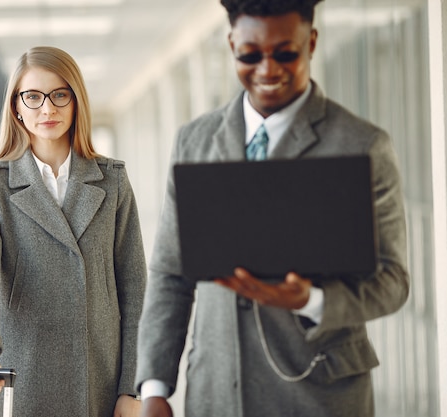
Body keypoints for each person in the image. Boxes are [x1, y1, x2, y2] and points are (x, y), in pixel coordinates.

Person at [135, 1, 409, 416]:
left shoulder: (362, 145)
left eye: (285, 53)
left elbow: (392, 282)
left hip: (319, 394)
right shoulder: (195, 141)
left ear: (311, 42)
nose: (267, 70)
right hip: (216, 393)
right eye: (249, 55)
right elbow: (171, 274)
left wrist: (311, 299)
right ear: (231, 44)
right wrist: (155, 387)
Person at [0, 46, 146, 417]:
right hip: (20, 371)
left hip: (99, 376)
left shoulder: (112, 180)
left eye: (60, 95)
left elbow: (135, 288)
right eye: (33, 97)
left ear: (76, 102)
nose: (48, 109)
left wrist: (133, 388)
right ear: (16, 107)